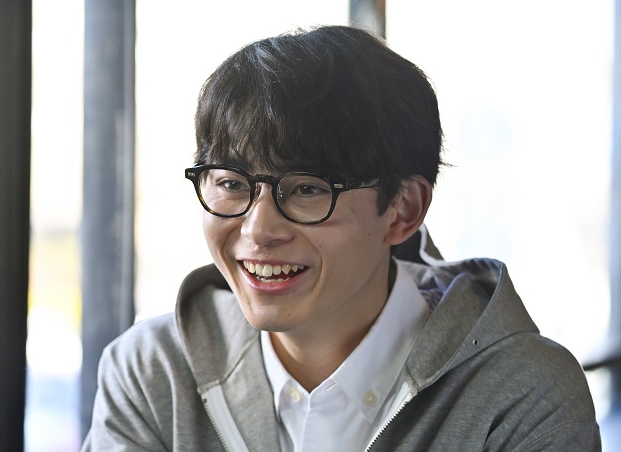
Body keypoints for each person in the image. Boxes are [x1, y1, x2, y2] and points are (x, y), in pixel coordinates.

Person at [82, 25, 601, 451]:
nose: (258, 229)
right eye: (232, 183)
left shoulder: (520, 393)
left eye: (307, 189)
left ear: (402, 209)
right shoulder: (152, 373)